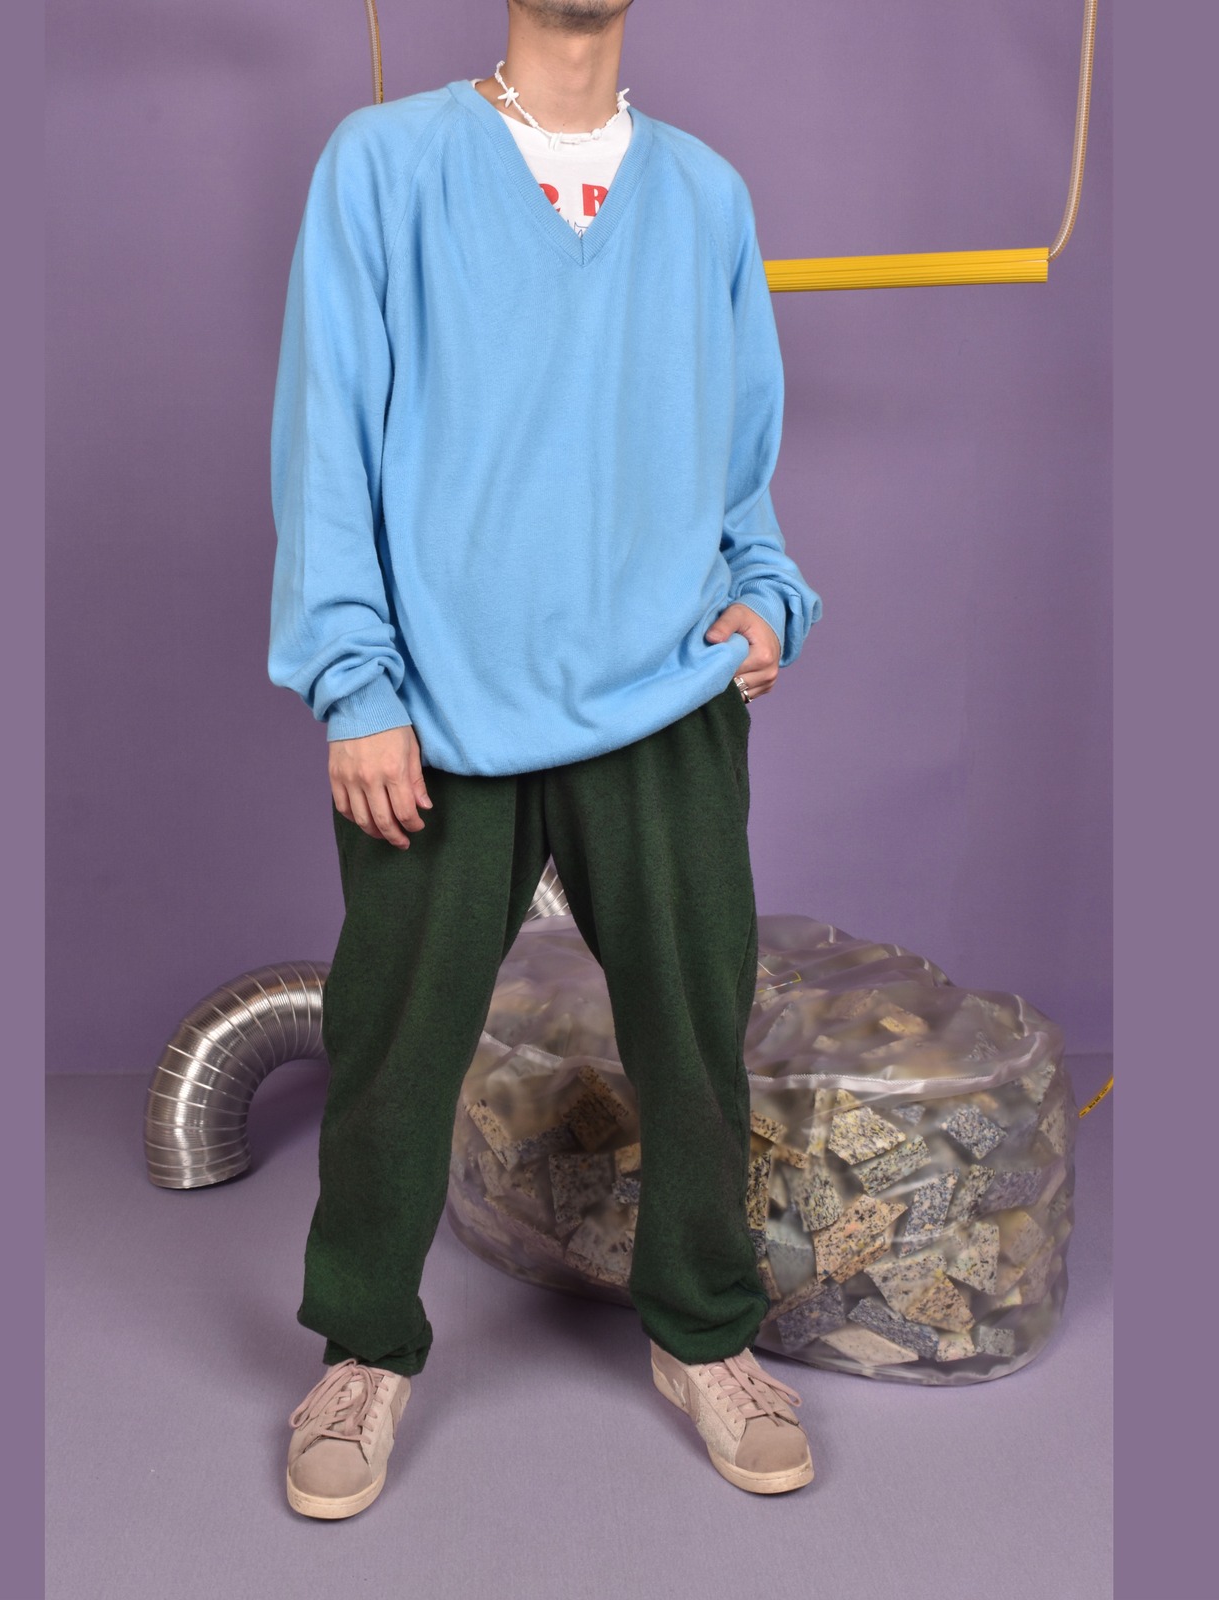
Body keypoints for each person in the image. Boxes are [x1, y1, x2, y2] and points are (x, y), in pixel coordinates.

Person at [268, 0, 824, 1521]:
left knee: (697, 1040)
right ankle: (363, 1349)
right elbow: (327, 430)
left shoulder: (705, 195)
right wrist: (354, 683)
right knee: (394, 1047)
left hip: (663, 696)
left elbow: (742, 460)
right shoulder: (383, 165)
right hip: (439, 708)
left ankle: (705, 1333)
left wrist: (768, 593)